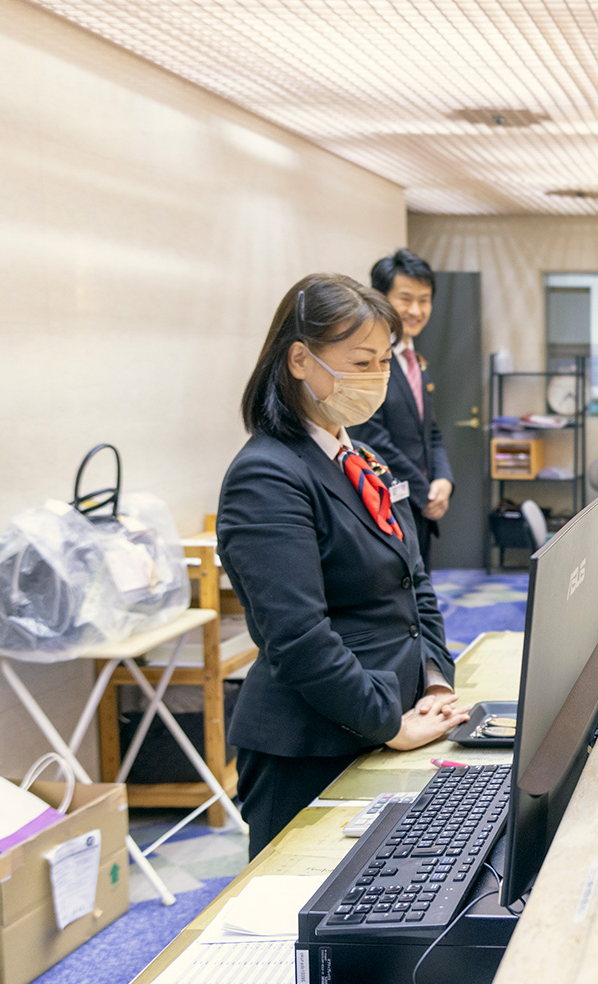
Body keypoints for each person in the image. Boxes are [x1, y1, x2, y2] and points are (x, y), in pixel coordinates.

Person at [218, 273, 469, 858]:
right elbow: (299, 637)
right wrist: (390, 723)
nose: (377, 378)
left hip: (392, 716)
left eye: (384, 361)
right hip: (310, 746)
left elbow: (414, 581)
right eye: (361, 361)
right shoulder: (268, 475)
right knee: (305, 927)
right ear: (300, 359)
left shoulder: (363, 458)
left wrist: (433, 679)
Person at [350, 249, 453, 571]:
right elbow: (372, 441)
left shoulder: (414, 360)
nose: (416, 310)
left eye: (424, 300)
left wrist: (444, 481)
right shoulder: (368, 361)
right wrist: (425, 495)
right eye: (405, 298)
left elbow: (431, 433)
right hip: (385, 508)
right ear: (379, 299)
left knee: (422, 600)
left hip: (418, 508)